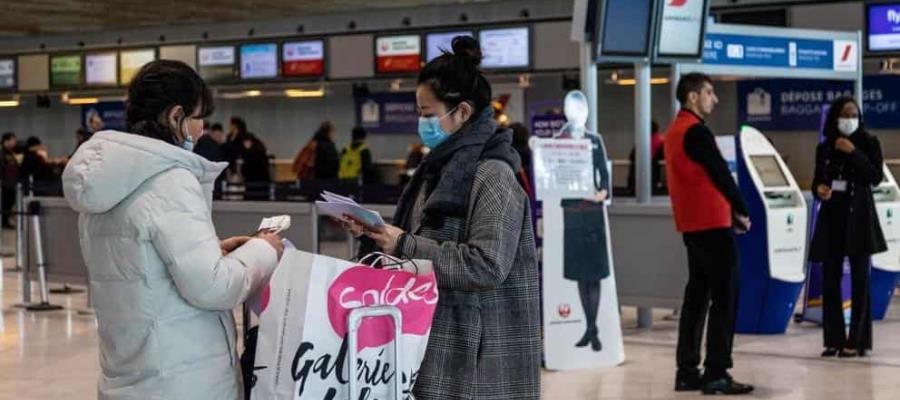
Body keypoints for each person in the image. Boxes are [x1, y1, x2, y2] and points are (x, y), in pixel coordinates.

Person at [62, 60, 284, 400]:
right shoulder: (169, 180)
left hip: (128, 374)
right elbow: (214, 288)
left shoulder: (106, 183)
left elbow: (139, 264)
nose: (202, 130)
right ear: (175, 116)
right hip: (184, 379)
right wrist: (265, 250)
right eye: (198, 118)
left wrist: (217, 250)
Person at [342, 36, 540, 400]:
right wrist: (375, 235)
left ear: (462, 112)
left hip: (478, 355)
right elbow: (420, 235)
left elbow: (485, 266)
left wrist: (402, 242)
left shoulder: (492, 175)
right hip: (440, 339)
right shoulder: (436, 169)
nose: (421, 122)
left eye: (428, 113)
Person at [665, 73, 754, 395]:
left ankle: (687, 371)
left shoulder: (675, 132)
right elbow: (720, 173)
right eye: (709, 92)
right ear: (692, 97)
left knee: (697, 297)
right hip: (713, 226)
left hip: (692, 226)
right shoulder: (697, 133)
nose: (714, 99)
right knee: (725, 298)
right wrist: (742, 208)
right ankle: (717, 371)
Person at [810, 96, 886, 358]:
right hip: (833, 216)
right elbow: (818, 180)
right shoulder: (825, 147)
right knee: (830, 278)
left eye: (854, 114)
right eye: (845, 114)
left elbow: (875, 177)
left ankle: (858, 340)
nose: (849, 119)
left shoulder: (868, 142)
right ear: (835, 117)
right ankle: (833, 339)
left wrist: (853, 152)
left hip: (859, 217)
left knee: (859, 278)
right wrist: (819, 189)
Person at [628, 120, 666, 195]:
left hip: (638, 173)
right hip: (652, 173)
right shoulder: (659, 140)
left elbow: (632, 156)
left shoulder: (642, 140)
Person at [1, 132, 18, 228]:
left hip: (11, 183)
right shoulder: (2, 153)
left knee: (9, 202)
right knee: (5, 203)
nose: (14, 142)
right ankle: (4, 222)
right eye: (13, 140)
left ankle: (5, 221)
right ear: (6, 141)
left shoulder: (11, 153)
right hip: (5, 183)